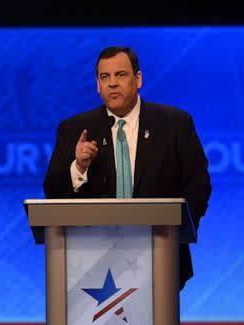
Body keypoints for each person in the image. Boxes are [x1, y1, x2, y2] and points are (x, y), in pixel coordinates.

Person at [43, 46, 211, 290]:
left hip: (160, 257)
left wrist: (179, 232)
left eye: (120, 75)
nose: (112, 83)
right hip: (91, 263)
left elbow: (198, 185)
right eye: (104, 77)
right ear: (97, 85)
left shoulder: (174, 124)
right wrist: (79, 167)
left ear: (138, 79)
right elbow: (52, 191)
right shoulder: (74, 129)